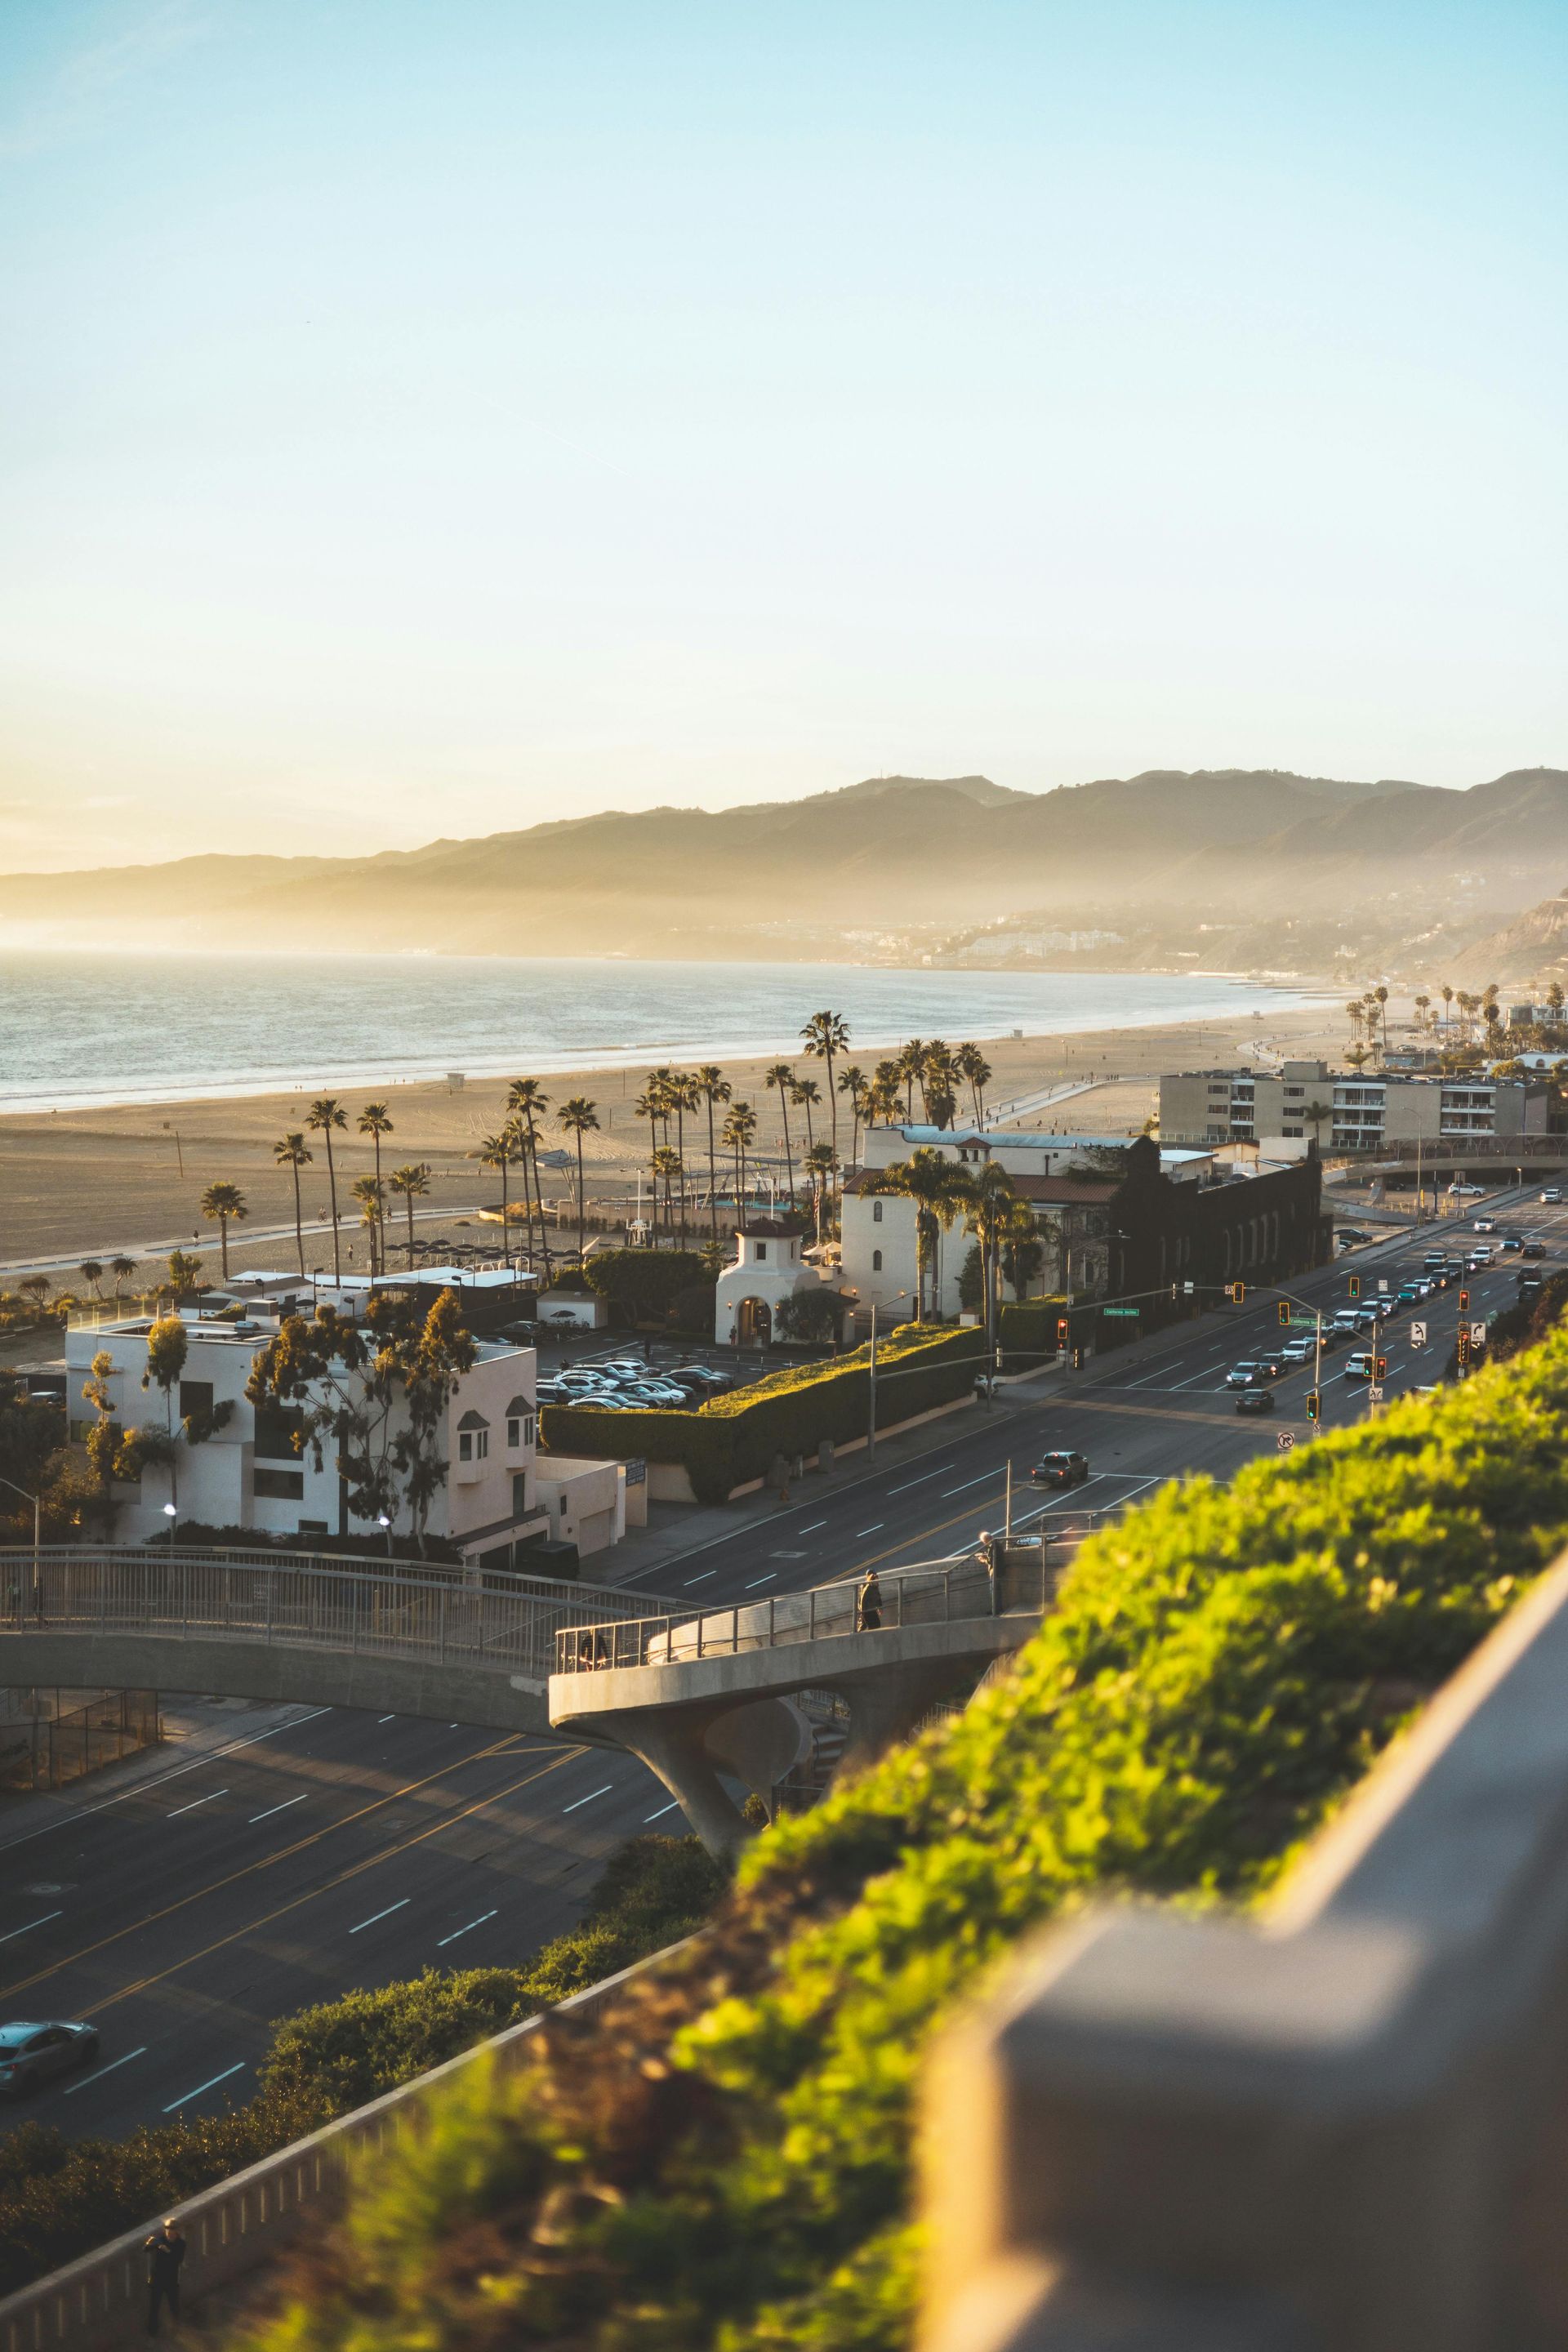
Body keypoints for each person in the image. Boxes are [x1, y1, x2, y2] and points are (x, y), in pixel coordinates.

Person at [145, 2217, 185, 2335]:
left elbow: (178, 2259)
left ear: (177, 2230)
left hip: (171, 2280)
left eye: (172, 2228)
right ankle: (152, 2332)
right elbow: (145, 2249)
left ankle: (176, 2330)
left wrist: (167, 2250)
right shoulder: (160, 2240)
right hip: (157, 2279)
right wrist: (150, 2243)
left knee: (174, 2306)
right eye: (167, 2228)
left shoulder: (181, 2244)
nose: (169, 2231)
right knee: (154, 2307)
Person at [855, 1569, 882, 1633]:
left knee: (870, 1625)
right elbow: (862, 1600)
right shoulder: (866, 1586)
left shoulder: (875, 1585)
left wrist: (879, 1607)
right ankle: (857, 1635)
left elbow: (877, 1597)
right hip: (866, 1608)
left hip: (871, 1608)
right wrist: (862, 1612)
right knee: (865, 1625)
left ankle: (858, 1633)